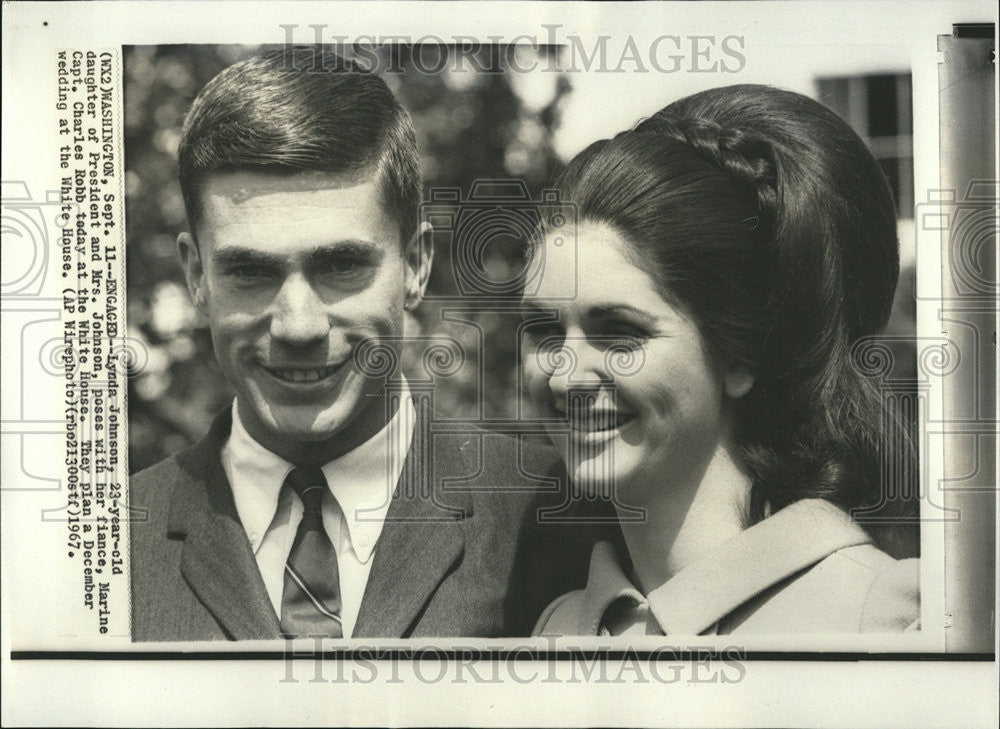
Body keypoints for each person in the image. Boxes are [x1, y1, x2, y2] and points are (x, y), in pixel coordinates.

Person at [129, 47, 590, 641]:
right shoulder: (104, 545)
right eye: (251, 272)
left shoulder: (556, 516)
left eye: (341, 265)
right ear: (197, 276)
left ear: (417, 265)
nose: (299, 326)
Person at [523, 84, 919, 636]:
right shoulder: (556, 628)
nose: (565, 376)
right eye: (544, 330)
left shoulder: (877, 617)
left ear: (741, 354)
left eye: (619, 332)